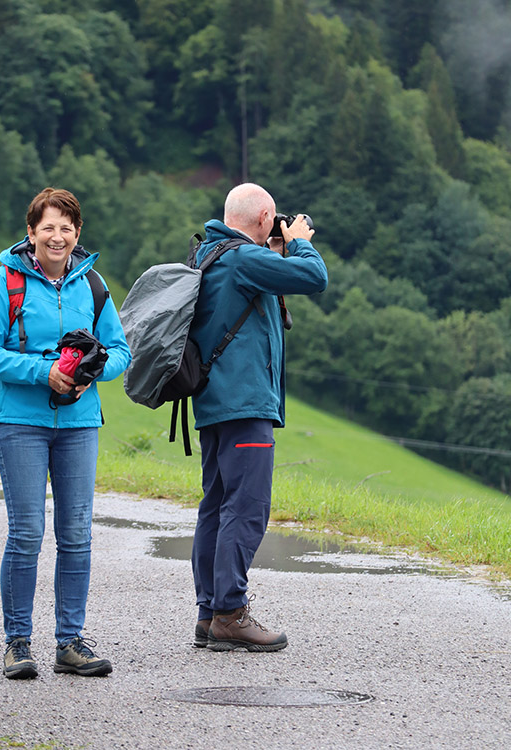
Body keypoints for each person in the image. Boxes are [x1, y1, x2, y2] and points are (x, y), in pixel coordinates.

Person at [0, 188, 131, 678]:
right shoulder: (6, 283)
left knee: (76, 534)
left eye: (66, 227)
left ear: (77, 234)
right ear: (31, 233)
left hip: (79, 423)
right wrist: (44, 373)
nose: (57, 236)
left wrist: (89, 374)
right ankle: (17, 643)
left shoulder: (95, 286)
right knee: (26, 534)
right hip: (19, 422)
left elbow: (121, 352)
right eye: (48, 227)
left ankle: (70, 643)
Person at [189, 182, 328, 652]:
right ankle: (230, 612)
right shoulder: (242, 259)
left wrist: (273, 249)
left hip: (213, 403)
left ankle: (210, 613)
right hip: (245, 402)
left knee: (216, 505)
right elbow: (314, 277)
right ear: (266, 215)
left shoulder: (211, 255)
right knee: (245, 508)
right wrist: (301, 240)